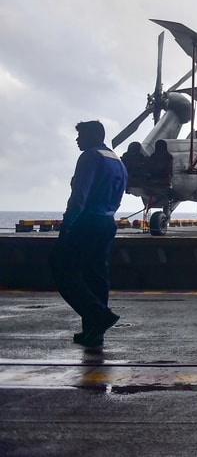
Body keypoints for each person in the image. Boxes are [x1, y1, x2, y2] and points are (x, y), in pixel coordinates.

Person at [52, 120, 128, 348]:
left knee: (63, 271)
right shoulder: (117, 161)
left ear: (94, 135)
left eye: (81, 135)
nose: (77, 140)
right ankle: (94, 332)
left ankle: (100, 316)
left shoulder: (89, 157)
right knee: (96, 277)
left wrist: (67, 225)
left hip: (87, 223)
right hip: (107, 222)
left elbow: (79, 196)